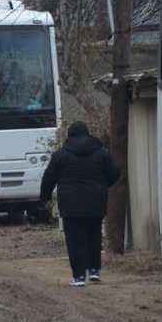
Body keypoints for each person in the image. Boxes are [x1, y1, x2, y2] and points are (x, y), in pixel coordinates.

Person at [40, 122, 121, 287]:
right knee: (94, 235)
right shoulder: (102, 153)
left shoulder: (60, 155)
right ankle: (94, 270)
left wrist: (45, 197)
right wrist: (103, 185)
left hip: (70, 205)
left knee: (74, 239)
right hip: (95, 202)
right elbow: (115, 173)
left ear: (70, 136)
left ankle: (78, 276)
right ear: (88, 134)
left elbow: (49, 178)